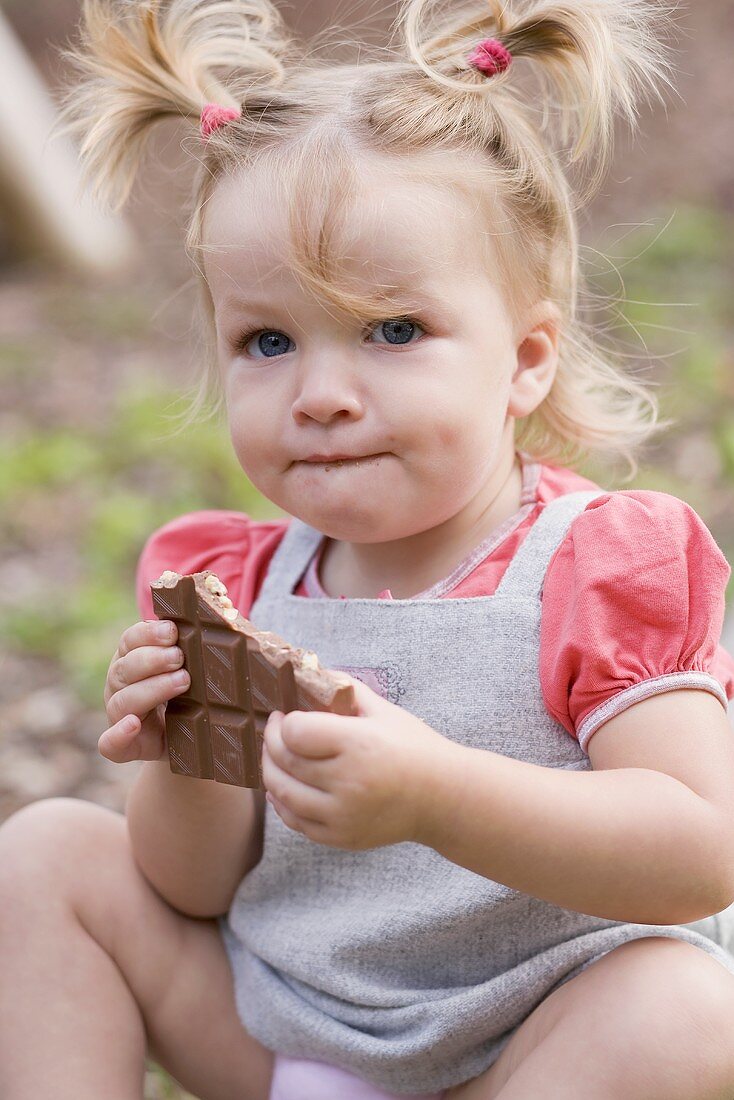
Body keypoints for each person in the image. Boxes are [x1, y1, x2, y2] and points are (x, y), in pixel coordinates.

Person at [3, 0, 734, 1097]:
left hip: (528, 1047)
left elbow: (693, 849)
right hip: (293, 1031)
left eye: (392, 331)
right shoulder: (241, 584)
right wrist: (187, 757)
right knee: (49, 852)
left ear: (524, 358)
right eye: (267, 340)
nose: (323, 395)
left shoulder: (593, 567)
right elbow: (193, 888)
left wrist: (437, 793)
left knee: (683, 1011)